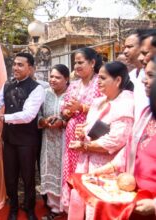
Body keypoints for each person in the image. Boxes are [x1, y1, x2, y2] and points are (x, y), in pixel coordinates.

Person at [68, 61, 135, 219]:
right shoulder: (98, 101)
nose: (98, 81)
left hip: (106, 165)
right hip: (86, 161)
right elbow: (89, 128)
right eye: (99, 77)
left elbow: (115, 140)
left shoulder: (125, 104)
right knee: (80, 200)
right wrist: (82, 132)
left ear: (117, 80)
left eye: (103, 78)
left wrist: (85, 146)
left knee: (97, 206)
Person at [92, 58, 156, 219]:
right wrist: (109, 168)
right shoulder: (147, 113)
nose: (144, 80)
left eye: (150, 75)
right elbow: (130, 147)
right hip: (136, 198)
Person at [0, 52, 45, 220]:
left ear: (31, 68)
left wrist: (2, 118)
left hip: (28, 140)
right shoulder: (7, 85)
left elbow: (28, 115)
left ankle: (29, 208)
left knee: (28, 178)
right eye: (14, 64)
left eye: (20, 65)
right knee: (10, 177)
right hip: (10, 139)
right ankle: (13, 208)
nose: (15, 68)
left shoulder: (37, 88)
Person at [60, 47, 103, 212]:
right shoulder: (74, 85)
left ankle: (90, 210)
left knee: (87, 172)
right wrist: (67, 111)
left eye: (80, 62)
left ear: (92, 63)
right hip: (72, 135)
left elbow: (105, 107)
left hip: (91, 135)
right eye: (75, 62)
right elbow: (65, 107)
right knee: (73, 171)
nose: (76, 66)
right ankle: (75, 209)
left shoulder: (100, 82)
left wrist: (82, 107)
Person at [38, 64, 69, 220]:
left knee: (65, 171)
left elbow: (77, 118)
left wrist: (62, 123)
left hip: (66, 140)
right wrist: (44, 121)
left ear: (67, 79)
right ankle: (55, 208)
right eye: (51, 76)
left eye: (58, 77)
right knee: (49, 168)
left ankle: (69, 207)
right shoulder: (44, 94)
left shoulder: (71, 94)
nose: (53, 80)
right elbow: (38, 115)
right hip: (48, 140)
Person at [123, 33, 148, 120]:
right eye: (125, 47)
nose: (125, 51)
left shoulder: (151, 76)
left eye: (129, 47)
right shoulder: (130, 76)